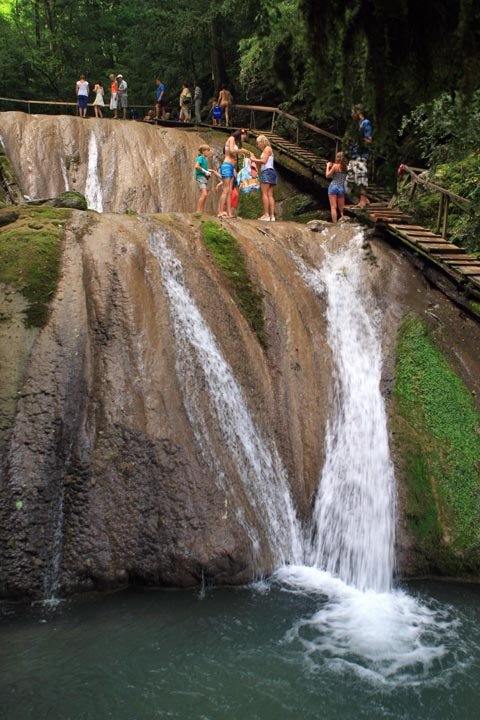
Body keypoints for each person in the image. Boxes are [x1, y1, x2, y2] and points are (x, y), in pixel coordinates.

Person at [346, 103, 372, 208]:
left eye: (353, 112)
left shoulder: (366, 123)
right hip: (354, 155)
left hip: (361, 154)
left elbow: (369, 140)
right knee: (350, 180)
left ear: (358, 112)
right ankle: (364, 199)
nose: (352, 114)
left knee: (361, 178)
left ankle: (363, 201)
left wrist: (359, 139)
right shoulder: (358, 124)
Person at [218, 128, 248, 218]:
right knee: (226, 190)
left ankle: (229, 213)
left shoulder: (235, 142)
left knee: (230, 191)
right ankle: (220, 211)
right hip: (226, 165)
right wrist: (241, 150)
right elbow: (231, 150)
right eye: (244, 136)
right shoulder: (231, 139)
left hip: (231, 167)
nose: (244, 138)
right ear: (241, 134)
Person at [251, 134, 277, 221]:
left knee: (265, 194)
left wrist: (253, 160)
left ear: (263, 142)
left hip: (267, 172)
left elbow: (264, 161)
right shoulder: (268, 150)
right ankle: (272, 216)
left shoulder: (267, 149)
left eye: (258, 143)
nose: (258, 145)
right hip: (271, 172)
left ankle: (266, 215)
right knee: (270, 194)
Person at [195, 145, 221, 213]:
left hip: (204, 178)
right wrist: (205, 171)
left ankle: (201, 211)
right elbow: (197, 166)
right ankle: (198, 211)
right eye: (208, 151)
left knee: (205, 195)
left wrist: (210, 171)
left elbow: (204, 168)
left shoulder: (205, 160)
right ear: (203, 151)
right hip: (200, 177)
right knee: (204, 194)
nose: (209, 152)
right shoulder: (200, 158)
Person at [326, 151, 348, 223]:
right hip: (341, 188)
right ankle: (342, 219)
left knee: (333, 207)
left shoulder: (335, 166)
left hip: (333, 187)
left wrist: (328, 166)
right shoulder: (346, 168)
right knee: (341, 208)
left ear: (337, 158)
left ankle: (335, 223)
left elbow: (327, 175)